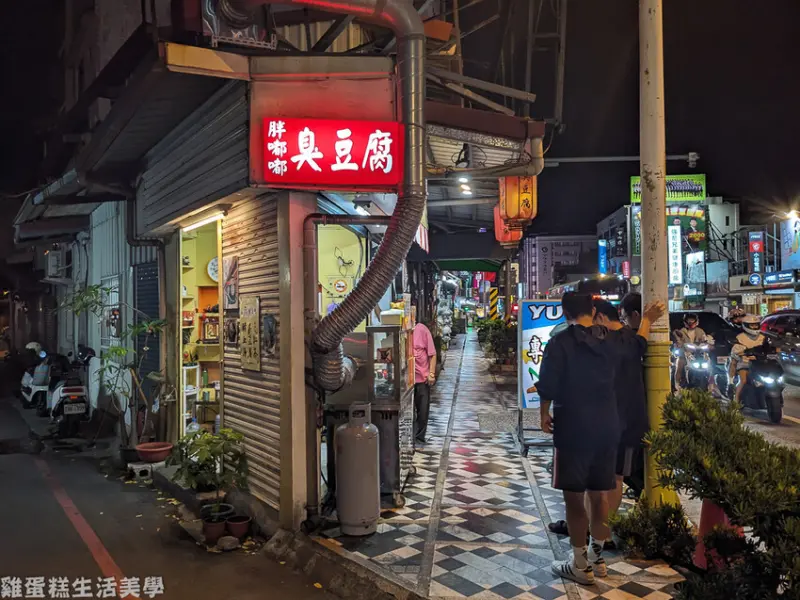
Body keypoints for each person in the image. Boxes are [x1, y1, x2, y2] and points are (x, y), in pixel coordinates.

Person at [536, 292, 619, 586]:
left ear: (563, 312)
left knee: (573, 498)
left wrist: (544, 413)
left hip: (573, 426)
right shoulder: (610, 340)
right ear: (593, 310)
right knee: (599, 496)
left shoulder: (560, 341)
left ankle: (579, 564)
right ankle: (598, 560)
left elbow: (548, 381)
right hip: (608, 425)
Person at [594, 297, 664, 518]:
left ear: (601, 317)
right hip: (626, 424)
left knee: (604, 479)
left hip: (607, 422)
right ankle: (603, 529)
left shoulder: (604, 342)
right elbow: (639, 342)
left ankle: (598, 529)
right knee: (615, 478)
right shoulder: (628, 340)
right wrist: (648, 320)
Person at [730, 314, 766, 405]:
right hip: (745, 362)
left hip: (761, 362)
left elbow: (770, 347)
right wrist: (741, 352)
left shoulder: (763, 337)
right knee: (744, 380)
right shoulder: (740, 337)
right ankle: (736, 400)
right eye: (751, 325)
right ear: (746, 325)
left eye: (756, 324)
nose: (754, 327)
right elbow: (735, 350)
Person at [672, 313, 712, 391]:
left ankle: (710, 383)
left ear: (696, 322)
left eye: (692, 321)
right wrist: (679, 343)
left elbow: (705, 339)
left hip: (699, 353)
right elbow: (678, 340)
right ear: (685, 322)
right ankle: (677, 384)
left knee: (710, 363)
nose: (691, 323)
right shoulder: (681, 331)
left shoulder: (700, 331)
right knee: (680, 364)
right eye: (689, 321)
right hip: (685, 352)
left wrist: (708, 343)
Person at [412, 320, 437, 445]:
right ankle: (408, 438)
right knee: (408, 412)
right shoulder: (401, 331)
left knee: (422, 410)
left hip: (422, 378)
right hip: (405, 381)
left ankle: (419, 437)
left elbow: (432, 354)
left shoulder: (422, 329)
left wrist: (431, 374)